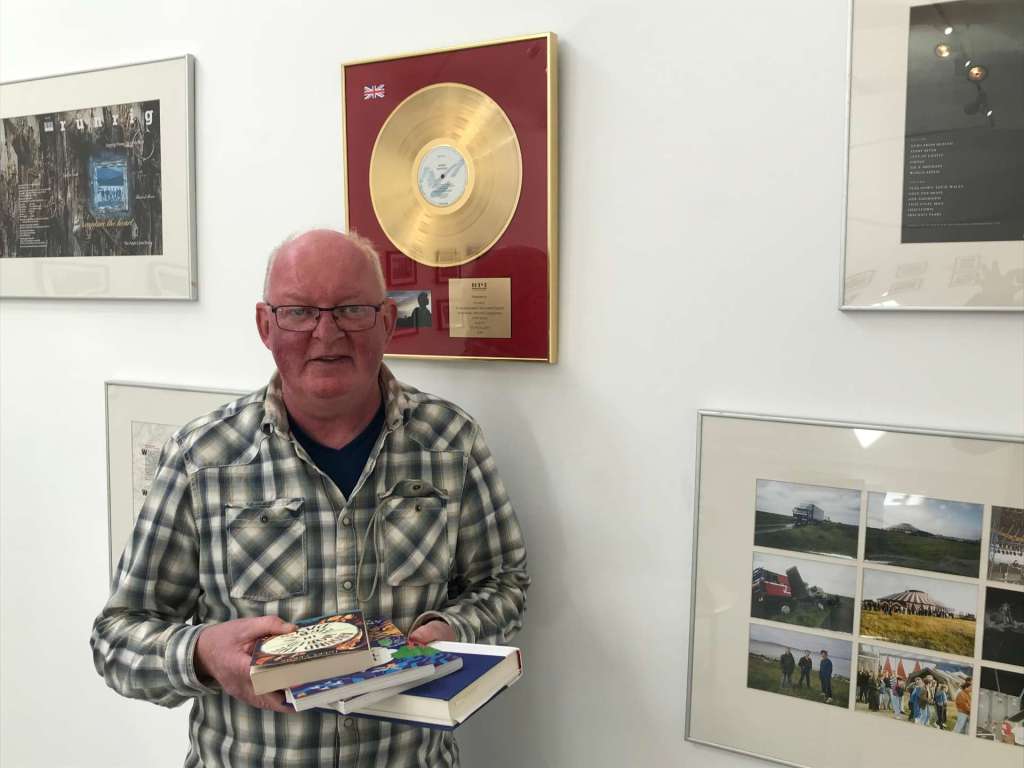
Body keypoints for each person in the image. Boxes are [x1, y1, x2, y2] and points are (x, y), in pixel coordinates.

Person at [90, 230, 531, 767]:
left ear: (388, 321)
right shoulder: (201, 457)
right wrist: (203, 653)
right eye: (299, 311)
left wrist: (451, 631)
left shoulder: (451, 442)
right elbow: (117, 638)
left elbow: (503, 583)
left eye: (351, 309)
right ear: (265, 325)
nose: (326, 333)